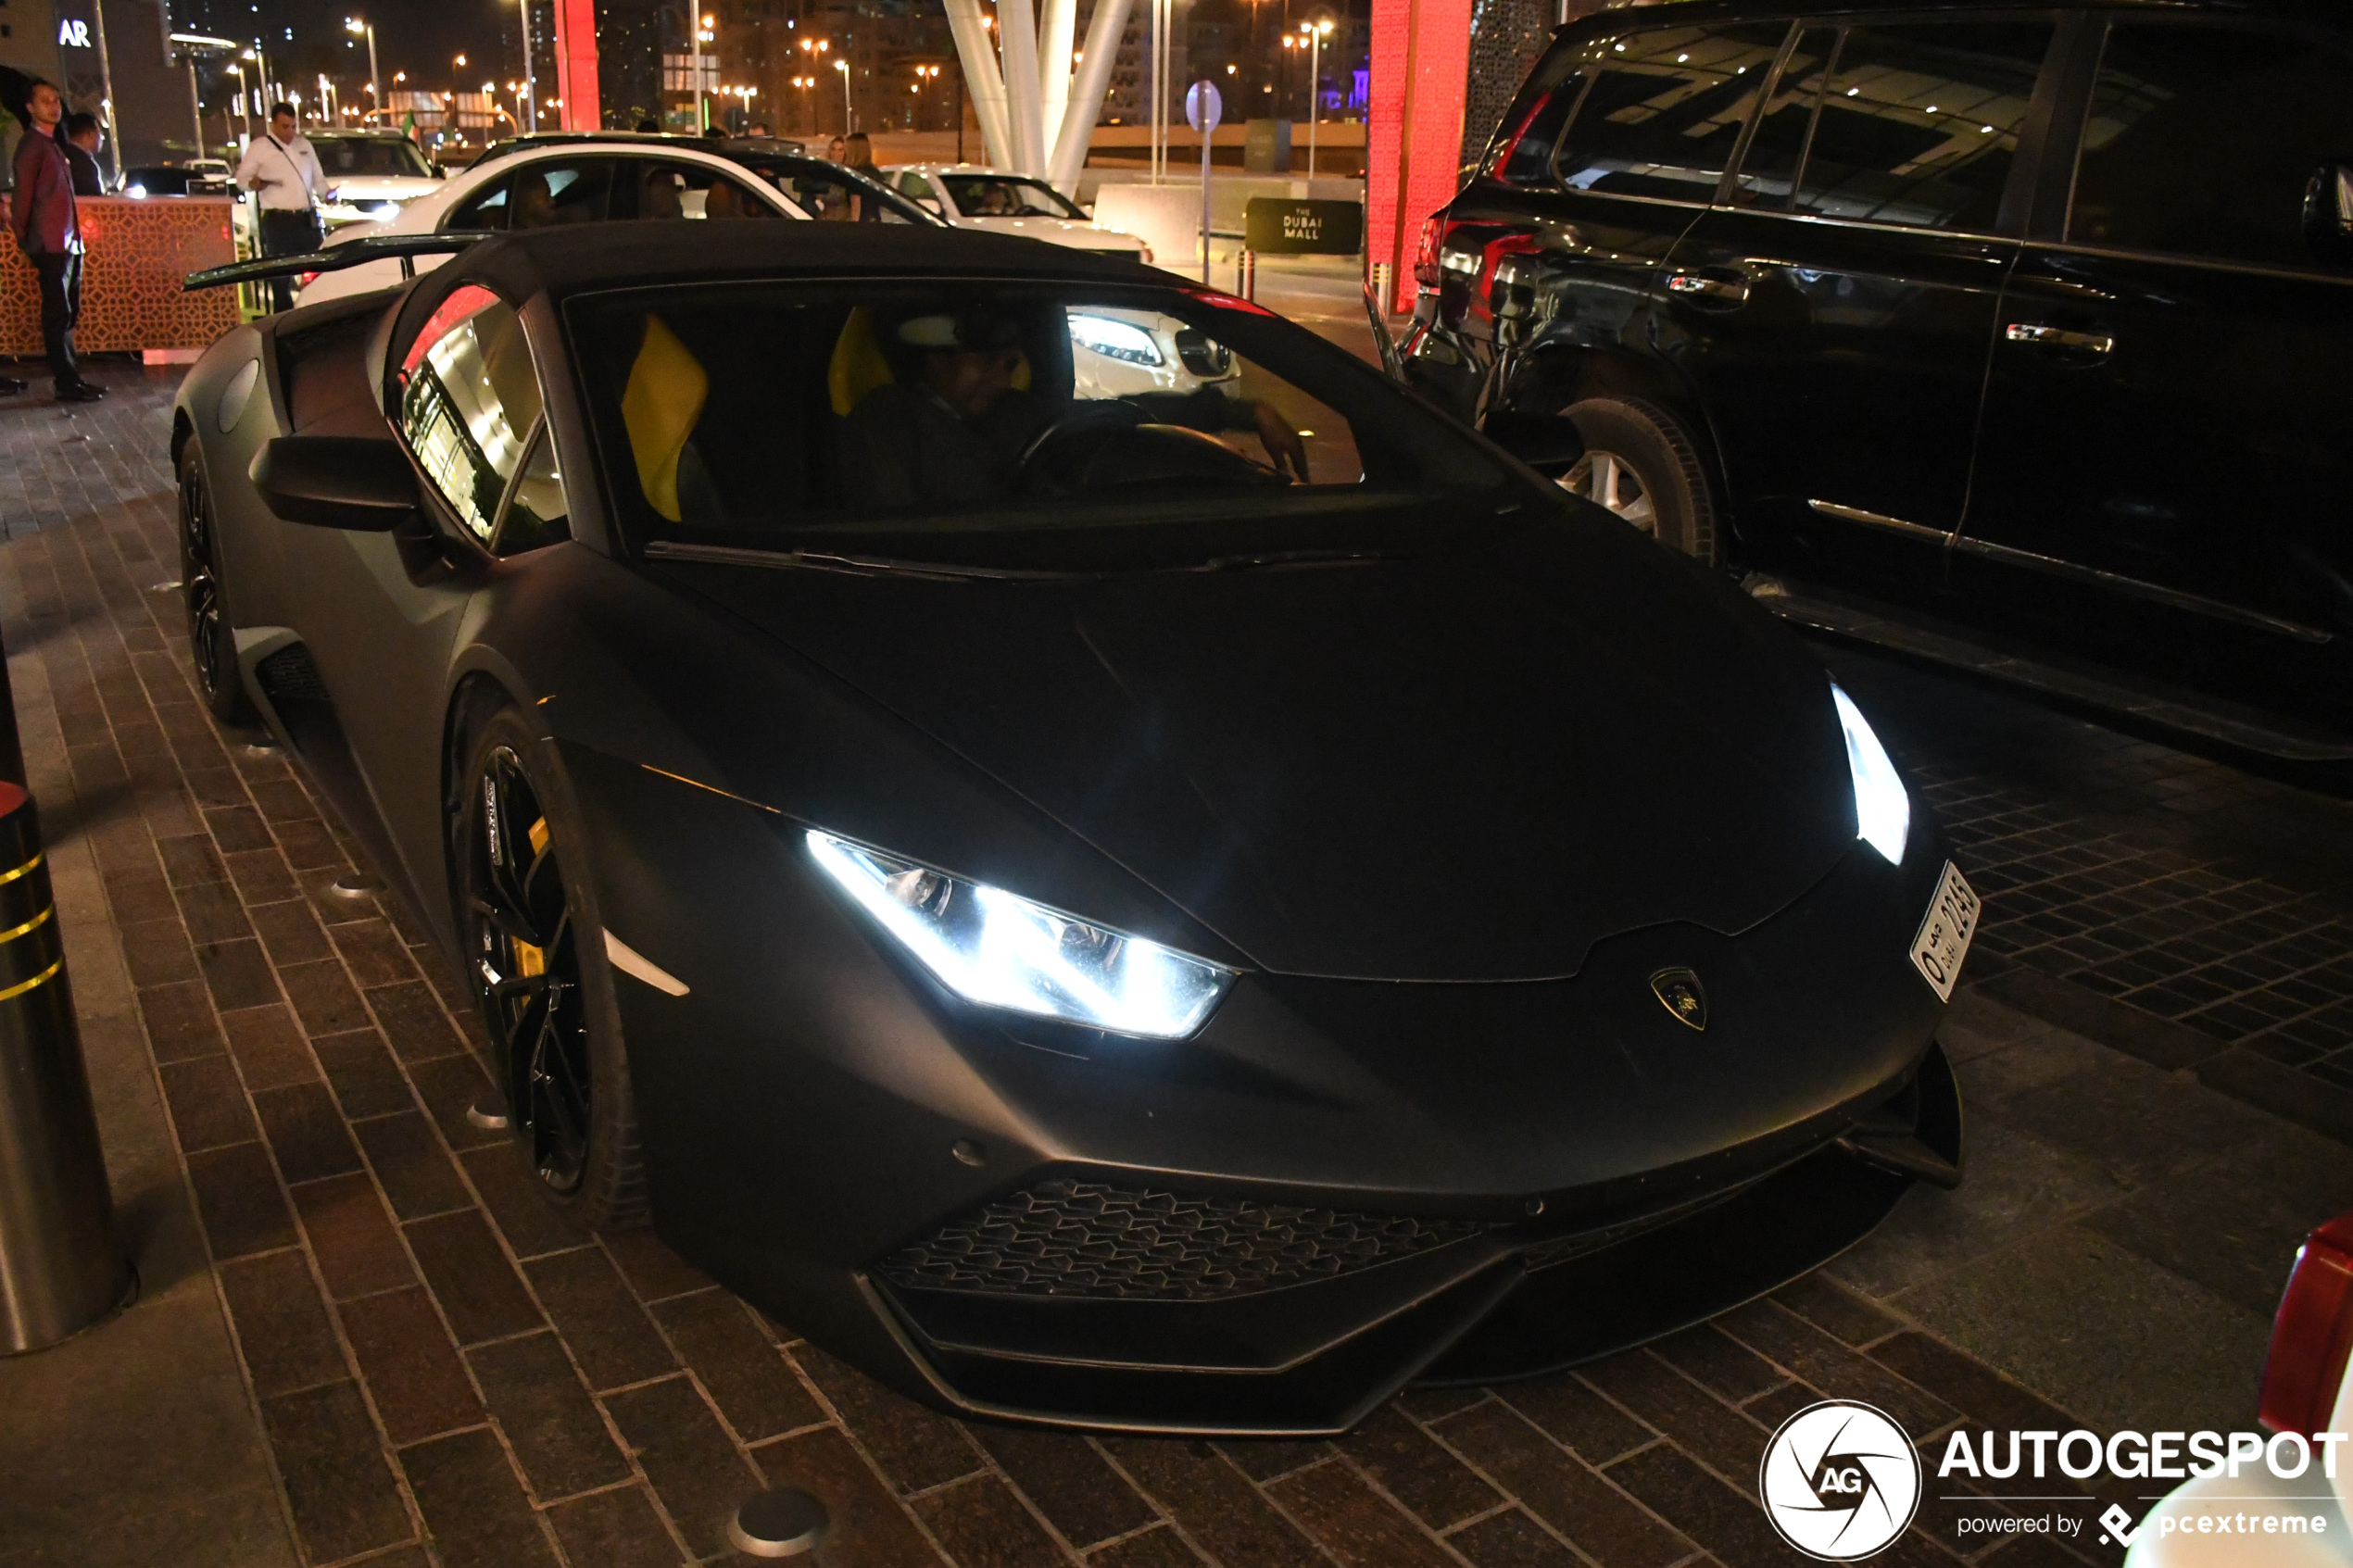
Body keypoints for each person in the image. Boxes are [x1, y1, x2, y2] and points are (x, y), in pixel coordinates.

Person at [837, 304, 1306, 512]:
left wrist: (1244, 413)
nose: (1001, 377)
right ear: (934, 360)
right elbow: (899, 542)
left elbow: (1116, 413)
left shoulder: (1008, 414)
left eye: (1010, 363)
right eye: (984, 362)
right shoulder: (887, 423)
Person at [9, 81, 101, 401]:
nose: (54, 105)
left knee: (68, 313)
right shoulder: (31, 146)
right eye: (45, 101)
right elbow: (22, 200)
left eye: (56, 100)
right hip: (50, 245)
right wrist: (24, 239)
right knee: (57, 314)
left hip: (69, 242)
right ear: (31, 108)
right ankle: (65, 381)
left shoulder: (53, 144)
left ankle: (72, 376)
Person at [233, 103, 323, 311]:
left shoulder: (304, 145)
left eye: (293, 126)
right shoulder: (260, 147)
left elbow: (318, 178)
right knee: (281, 277)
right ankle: (284, 320)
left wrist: (328, 194)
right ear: (273, 124)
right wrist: (254, 183)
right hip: (278, 220)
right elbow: (241, 179)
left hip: (305, 218)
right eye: (285, 126)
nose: (290, 132)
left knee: (319, 271)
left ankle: (316, 314)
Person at [59, 112, 105, 196]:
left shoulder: (62, 154)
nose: (102, 138)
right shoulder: (83, 165)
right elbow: (93, 198)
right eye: (100, 133)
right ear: (89, 134)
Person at [841, 132, 882, 220]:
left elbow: (856, 205)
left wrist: (853, 228)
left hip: (863, 222)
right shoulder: (875, 172)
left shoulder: (856, 175)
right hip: (875, 219)